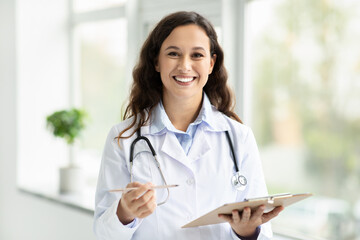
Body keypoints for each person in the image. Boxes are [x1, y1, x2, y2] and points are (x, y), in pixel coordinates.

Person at [94, 11, 283, 240]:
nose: (185, 66)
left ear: (211, 63)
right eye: (173, 54)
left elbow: (264, 235)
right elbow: (102, 235)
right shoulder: (123, 138)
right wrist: (124, 213)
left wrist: (247, 233)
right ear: (156, 61)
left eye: (197, 55)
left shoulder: (238, 137)